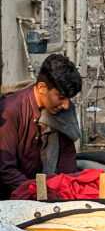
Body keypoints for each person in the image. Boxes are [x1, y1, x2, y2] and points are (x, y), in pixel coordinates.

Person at [0, 53, 82, 200]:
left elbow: (67, 164)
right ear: (42, 87)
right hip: (11, 196)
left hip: (45, 192)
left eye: (69, 99)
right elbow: (5, 169)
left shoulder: (64, 112)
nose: (66, 105)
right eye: (61, 97)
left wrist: (68, 192)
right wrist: (39, 193)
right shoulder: (10, 111)